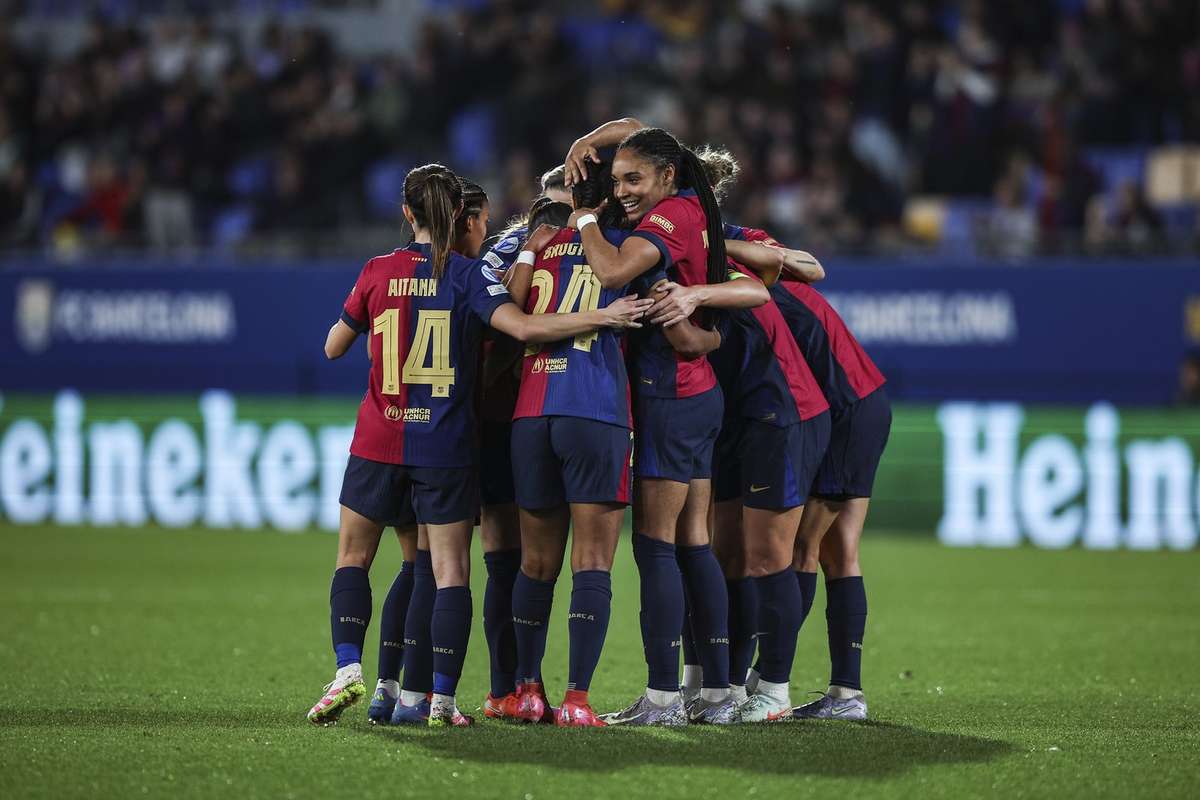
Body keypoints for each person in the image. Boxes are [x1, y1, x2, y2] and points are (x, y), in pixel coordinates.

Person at [307, 163, 650, 728]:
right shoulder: (470, 276)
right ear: (463, 218)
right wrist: (600, 314)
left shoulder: (378, 269)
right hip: (449, 440)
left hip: (380, 437)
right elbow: (523, 328)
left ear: (407, 213)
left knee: (369, 561)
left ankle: (360, 673)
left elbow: (333, 347)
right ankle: (439, 699)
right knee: (447, 572)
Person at [566, 125, 767, 726]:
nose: (622, 190)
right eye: (617, 180)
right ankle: (717, 693)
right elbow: (639, 129)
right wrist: (586, 142)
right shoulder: (694, 208)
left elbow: (610, 273)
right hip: (696, 395)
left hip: (668, 398)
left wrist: (584, 219)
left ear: (667, 175)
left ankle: (662, 700)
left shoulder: (667, 219)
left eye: (634, 179)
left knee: (655, 546)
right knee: (693, 544)